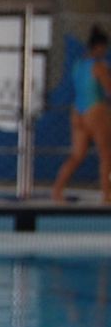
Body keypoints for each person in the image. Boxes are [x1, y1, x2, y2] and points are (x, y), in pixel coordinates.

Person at [50, 25, 111, 203]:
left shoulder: (78, 65)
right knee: (106, 154)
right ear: (100, 47)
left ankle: (57, 191)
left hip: (77, 112)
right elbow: (108, 89)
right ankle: (107, 194)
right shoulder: (99, 66)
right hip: (95, 111)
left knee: (77, 155)